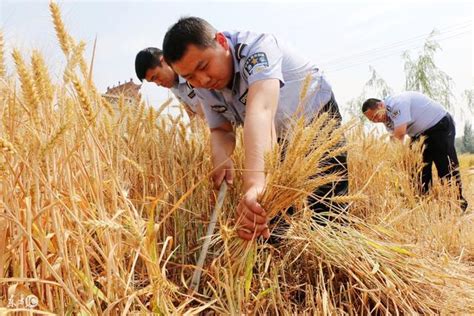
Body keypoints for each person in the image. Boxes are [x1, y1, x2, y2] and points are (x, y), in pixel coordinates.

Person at [162, 17, 349, 241]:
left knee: (325, 208)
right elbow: (221, 130)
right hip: (274, 136)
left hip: (315, 119)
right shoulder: (201, 84)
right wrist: (221, 157)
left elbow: (261, 111)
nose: (202, 79)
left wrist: (254, 185)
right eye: (189, 77)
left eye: (203, 66)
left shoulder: (258, 50)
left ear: (220, 42)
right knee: (275, 212)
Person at [362, 91, 468, 212]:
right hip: (419, 135)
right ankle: (423, 207)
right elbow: (394, 140)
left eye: (375, 116)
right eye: (372, 120)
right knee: (416, 171)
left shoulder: (397, 103)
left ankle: (457, 205)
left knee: (446, 167)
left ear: (381, 105)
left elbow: (400, 135)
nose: (376, 121)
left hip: (439, 126)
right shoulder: (386, 119)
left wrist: (390, 160)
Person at [135, 47, 204, 119]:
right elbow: (191, 114)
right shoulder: (172, 85)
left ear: (164, 60)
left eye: (155, 77)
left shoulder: (193, 70)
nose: (158, 84)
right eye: (152, 81)